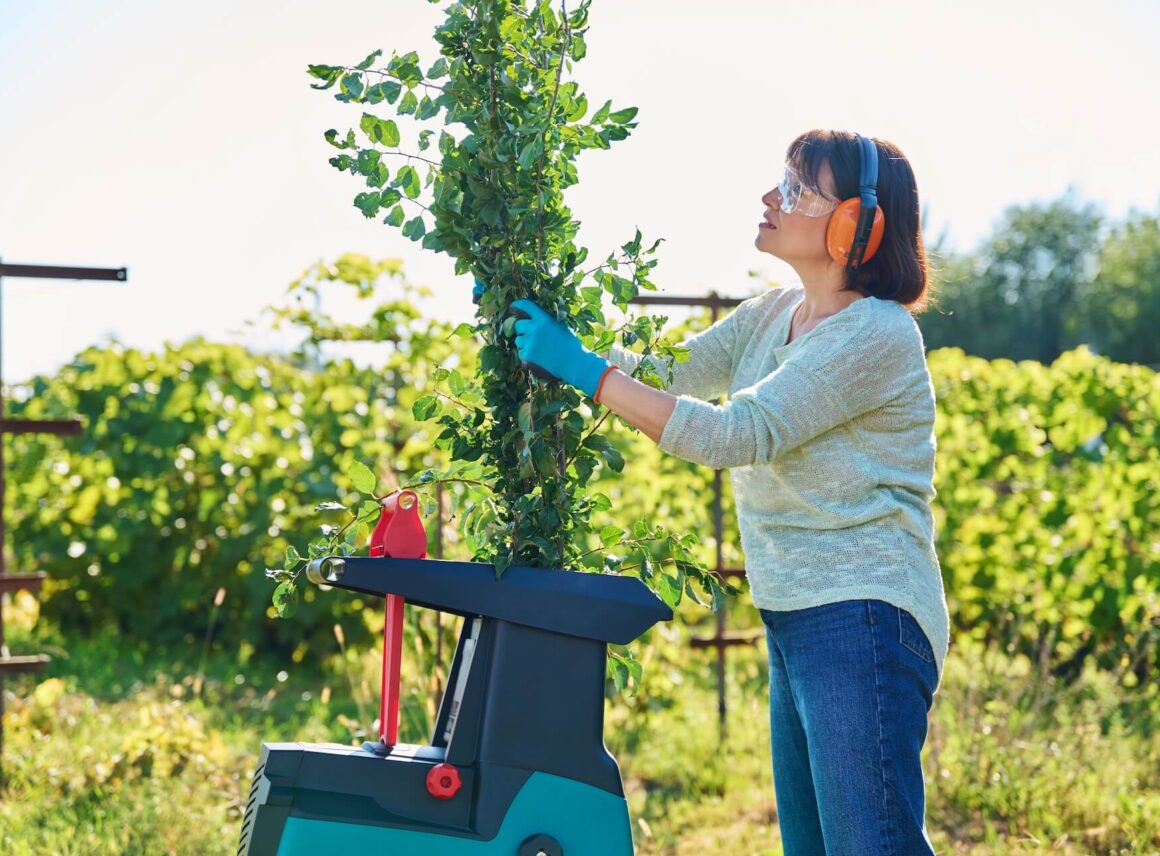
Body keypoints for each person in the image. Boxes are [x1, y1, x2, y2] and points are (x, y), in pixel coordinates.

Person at [480, 129, 949, 854]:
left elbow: (734, 434)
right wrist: (543, 323)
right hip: (796, 613)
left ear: (855, 223)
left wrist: (584, 372)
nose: (771, 198)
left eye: (797, 190)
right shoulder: (771, 314)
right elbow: (663, 373)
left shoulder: (876, 334)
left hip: (864, 613)